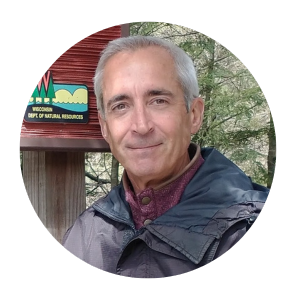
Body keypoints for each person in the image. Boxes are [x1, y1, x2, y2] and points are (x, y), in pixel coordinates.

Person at [62, 35, 269, 278]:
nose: (141, 125)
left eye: (158, 101)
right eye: (121, 106)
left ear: (193, 115)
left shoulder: (244, 225)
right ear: (105, 127)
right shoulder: (83, 234)